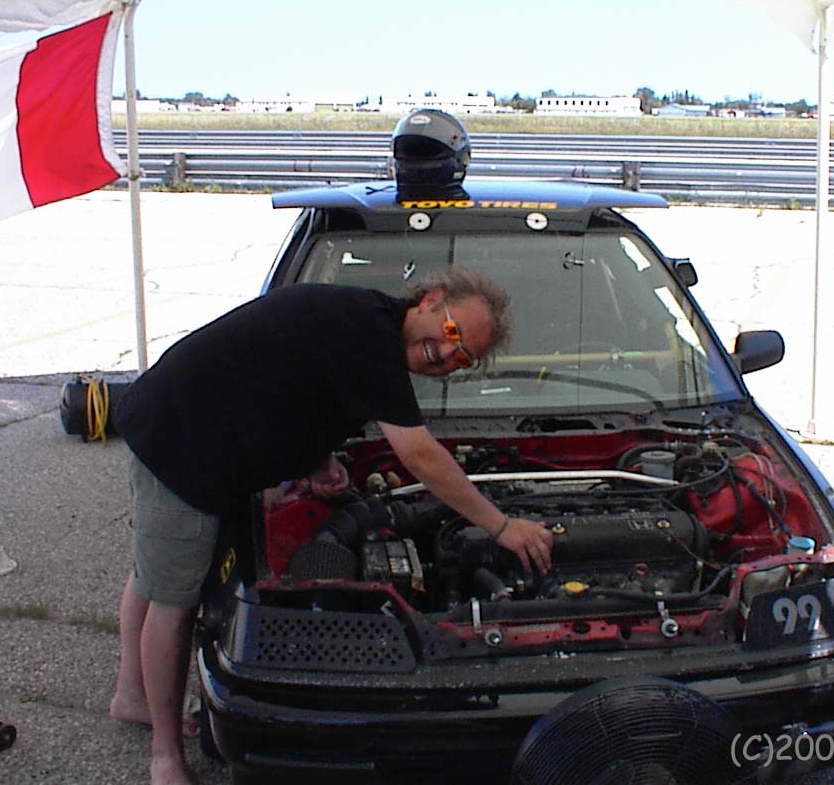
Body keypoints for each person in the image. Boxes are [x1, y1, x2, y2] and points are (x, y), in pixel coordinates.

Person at [108, 266, 553, 785]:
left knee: (153, 575)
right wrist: (500, 526)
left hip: (185, 422)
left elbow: (299, 379)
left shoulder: (367, 325)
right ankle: (165, 756)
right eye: (452, 333)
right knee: (175, 600)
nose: (447, 354)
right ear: (430, 300)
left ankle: (132, 696)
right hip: (182, 443)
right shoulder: (372, 336)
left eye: (464, 358)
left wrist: (317, 459)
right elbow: (419, 455)